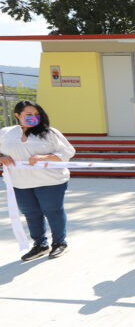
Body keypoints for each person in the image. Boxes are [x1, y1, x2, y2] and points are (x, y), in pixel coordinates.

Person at [0, 100, 76, 261]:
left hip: (50, 181)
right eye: (28, 115)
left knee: (52, 211)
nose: (33, 117)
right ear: (17, 115)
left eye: (36, 114)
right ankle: (40, 245)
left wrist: (44, 157)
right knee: (31, 213)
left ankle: (59, 243)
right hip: (20, 183)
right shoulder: (6, 133)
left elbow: (68, 151)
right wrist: (2, 157)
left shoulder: (50, 133)